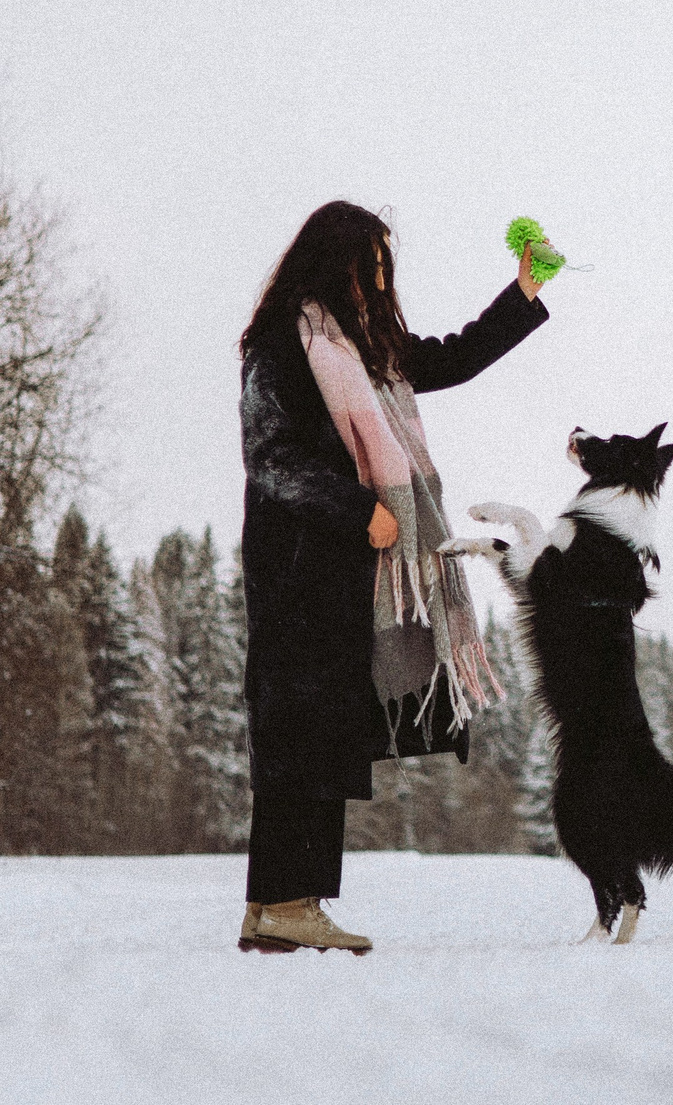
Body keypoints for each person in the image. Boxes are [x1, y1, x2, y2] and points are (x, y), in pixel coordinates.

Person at [232, 200, 553, 952]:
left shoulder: (364, 352)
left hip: (348, 575)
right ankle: (283, 903)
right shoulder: (285, 342)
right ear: (329, 262)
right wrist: (358, 510)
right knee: (299, 732)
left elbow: (449, 356)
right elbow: (270, 457)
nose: (378, 281)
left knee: (324, 731)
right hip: (298, 570)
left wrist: (524, 295)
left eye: (383, 268)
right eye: (367, 265)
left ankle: (282, 905)